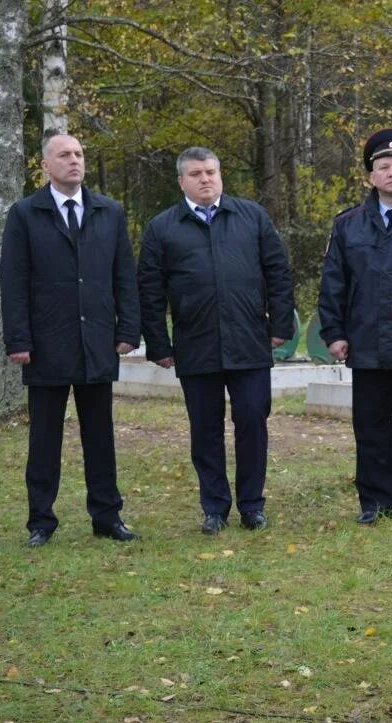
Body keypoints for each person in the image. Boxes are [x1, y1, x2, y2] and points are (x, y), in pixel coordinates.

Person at [137, 147, 295, 535]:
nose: (205, 179)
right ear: (182, 182)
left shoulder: (252, 216)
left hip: (249, 342)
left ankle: (252, 506)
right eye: (196, 174)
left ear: (220, 175)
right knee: (205, 430)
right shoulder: (162, 227)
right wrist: (158, 343)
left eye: (211, 171)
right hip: (197, 344)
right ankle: (214, 507)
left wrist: (281, 325)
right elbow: (150, 290)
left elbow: (278, 271)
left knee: (252, 423)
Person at [0, 133, 141, 547]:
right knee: (44, 438)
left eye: (79, 154)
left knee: (100, 435)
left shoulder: (109, 212)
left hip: (96, 340)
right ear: (45, 165)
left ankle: (107, 516)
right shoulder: (25, 214)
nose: (74, 160)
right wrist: (18, 340)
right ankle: (41, 521)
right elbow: (14, 281)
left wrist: (127, 330)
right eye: (64, 155)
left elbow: (123, 277)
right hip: (46, 344)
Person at [318, 129, 392, 526]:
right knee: (371, 429)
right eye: (383, 166)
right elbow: (334, 283)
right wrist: (334, 333)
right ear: (371, 175)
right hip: (366, 343)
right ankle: (376, 501)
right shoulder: (348, 225)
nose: (391, 172)